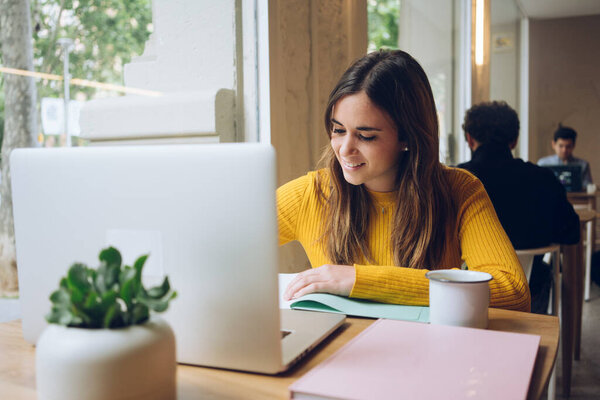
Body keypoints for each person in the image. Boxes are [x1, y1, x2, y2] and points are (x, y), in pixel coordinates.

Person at [278, 50, 530, 312]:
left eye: (366, 136)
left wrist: (360, 280)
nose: (343, 149)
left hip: (427, 349)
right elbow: (232, 239)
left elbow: (513, 290)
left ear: (408, 138)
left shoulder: (459, 190)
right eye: (338, 130)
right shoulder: (312, 193)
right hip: (342, 349)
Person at [457, 101, 580, 313]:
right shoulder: (543, 178)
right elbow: (572, 233)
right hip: (529, 295)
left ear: (469, 138)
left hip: (466, 293)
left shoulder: (457, 180)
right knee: (541, 270)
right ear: (514, 140)